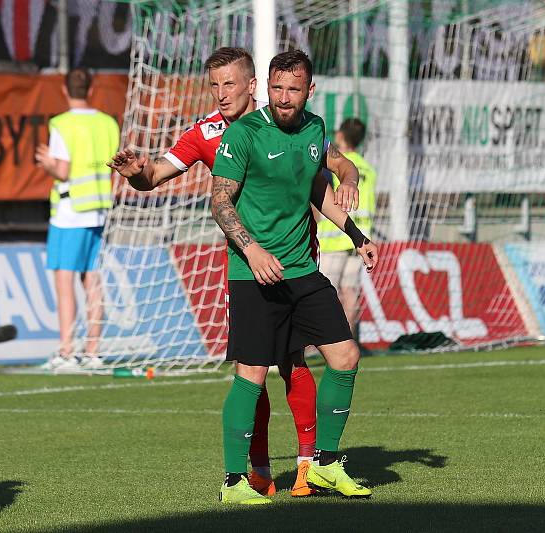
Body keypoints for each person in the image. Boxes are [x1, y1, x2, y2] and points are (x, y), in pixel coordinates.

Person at [107, 47, 362, 498]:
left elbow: (333, 162)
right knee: (256, 370)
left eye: (229, 84)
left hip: (300, 261)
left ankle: (310, 464)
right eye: (214, 86)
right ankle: (255, 470)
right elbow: (156, 177)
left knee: (297, 362)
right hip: (252, 265)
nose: (221, 95)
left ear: (252, 85)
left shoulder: (299, 121)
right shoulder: (208, 134)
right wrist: (136, 174)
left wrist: (350, 181)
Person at [211, 49, 378, 504]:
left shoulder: (315, 128)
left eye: (293, 89)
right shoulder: (244, 133)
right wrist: (252, 248)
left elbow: (317, 189)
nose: (284, 98)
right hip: (254, 273)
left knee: (344, 355)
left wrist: (357, 233)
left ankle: (325, 463)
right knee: (253, 373)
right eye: (277, 88)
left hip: (302, 271)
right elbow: (220, 203)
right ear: (266, 86)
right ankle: (233, 483)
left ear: (310, 90)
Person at [36, 68, 118, 372]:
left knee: (64, 278)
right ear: (91, 87)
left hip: (71, 211)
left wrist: (47, 164)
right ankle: (93, 350)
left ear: (64, 87)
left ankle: (67, 349)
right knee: (92, 279)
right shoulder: (107, 123)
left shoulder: (63, 124)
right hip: (98, 206)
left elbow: (64, 171)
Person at [315, 117, 377, 334]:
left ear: (340, 136)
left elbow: (323, 198)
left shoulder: (335, 166)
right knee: (350, 292)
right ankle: (349, 339)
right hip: (360, 239)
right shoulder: (367, 168)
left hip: (334, 238)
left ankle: (328, 342)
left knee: (323, 294)